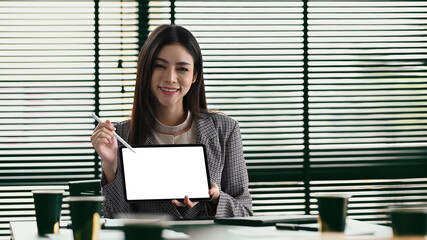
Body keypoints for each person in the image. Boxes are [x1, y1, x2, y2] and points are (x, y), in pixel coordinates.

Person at [90, 24, 253, 219]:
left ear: (195, 75)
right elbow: (115, 219)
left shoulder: (224, 130)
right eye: (160, 66)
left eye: (182, 68)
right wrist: (110, 165)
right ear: (146, 70)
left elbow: (245, 212)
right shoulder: (122, 136)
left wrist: (215, 199)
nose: (170, 78)